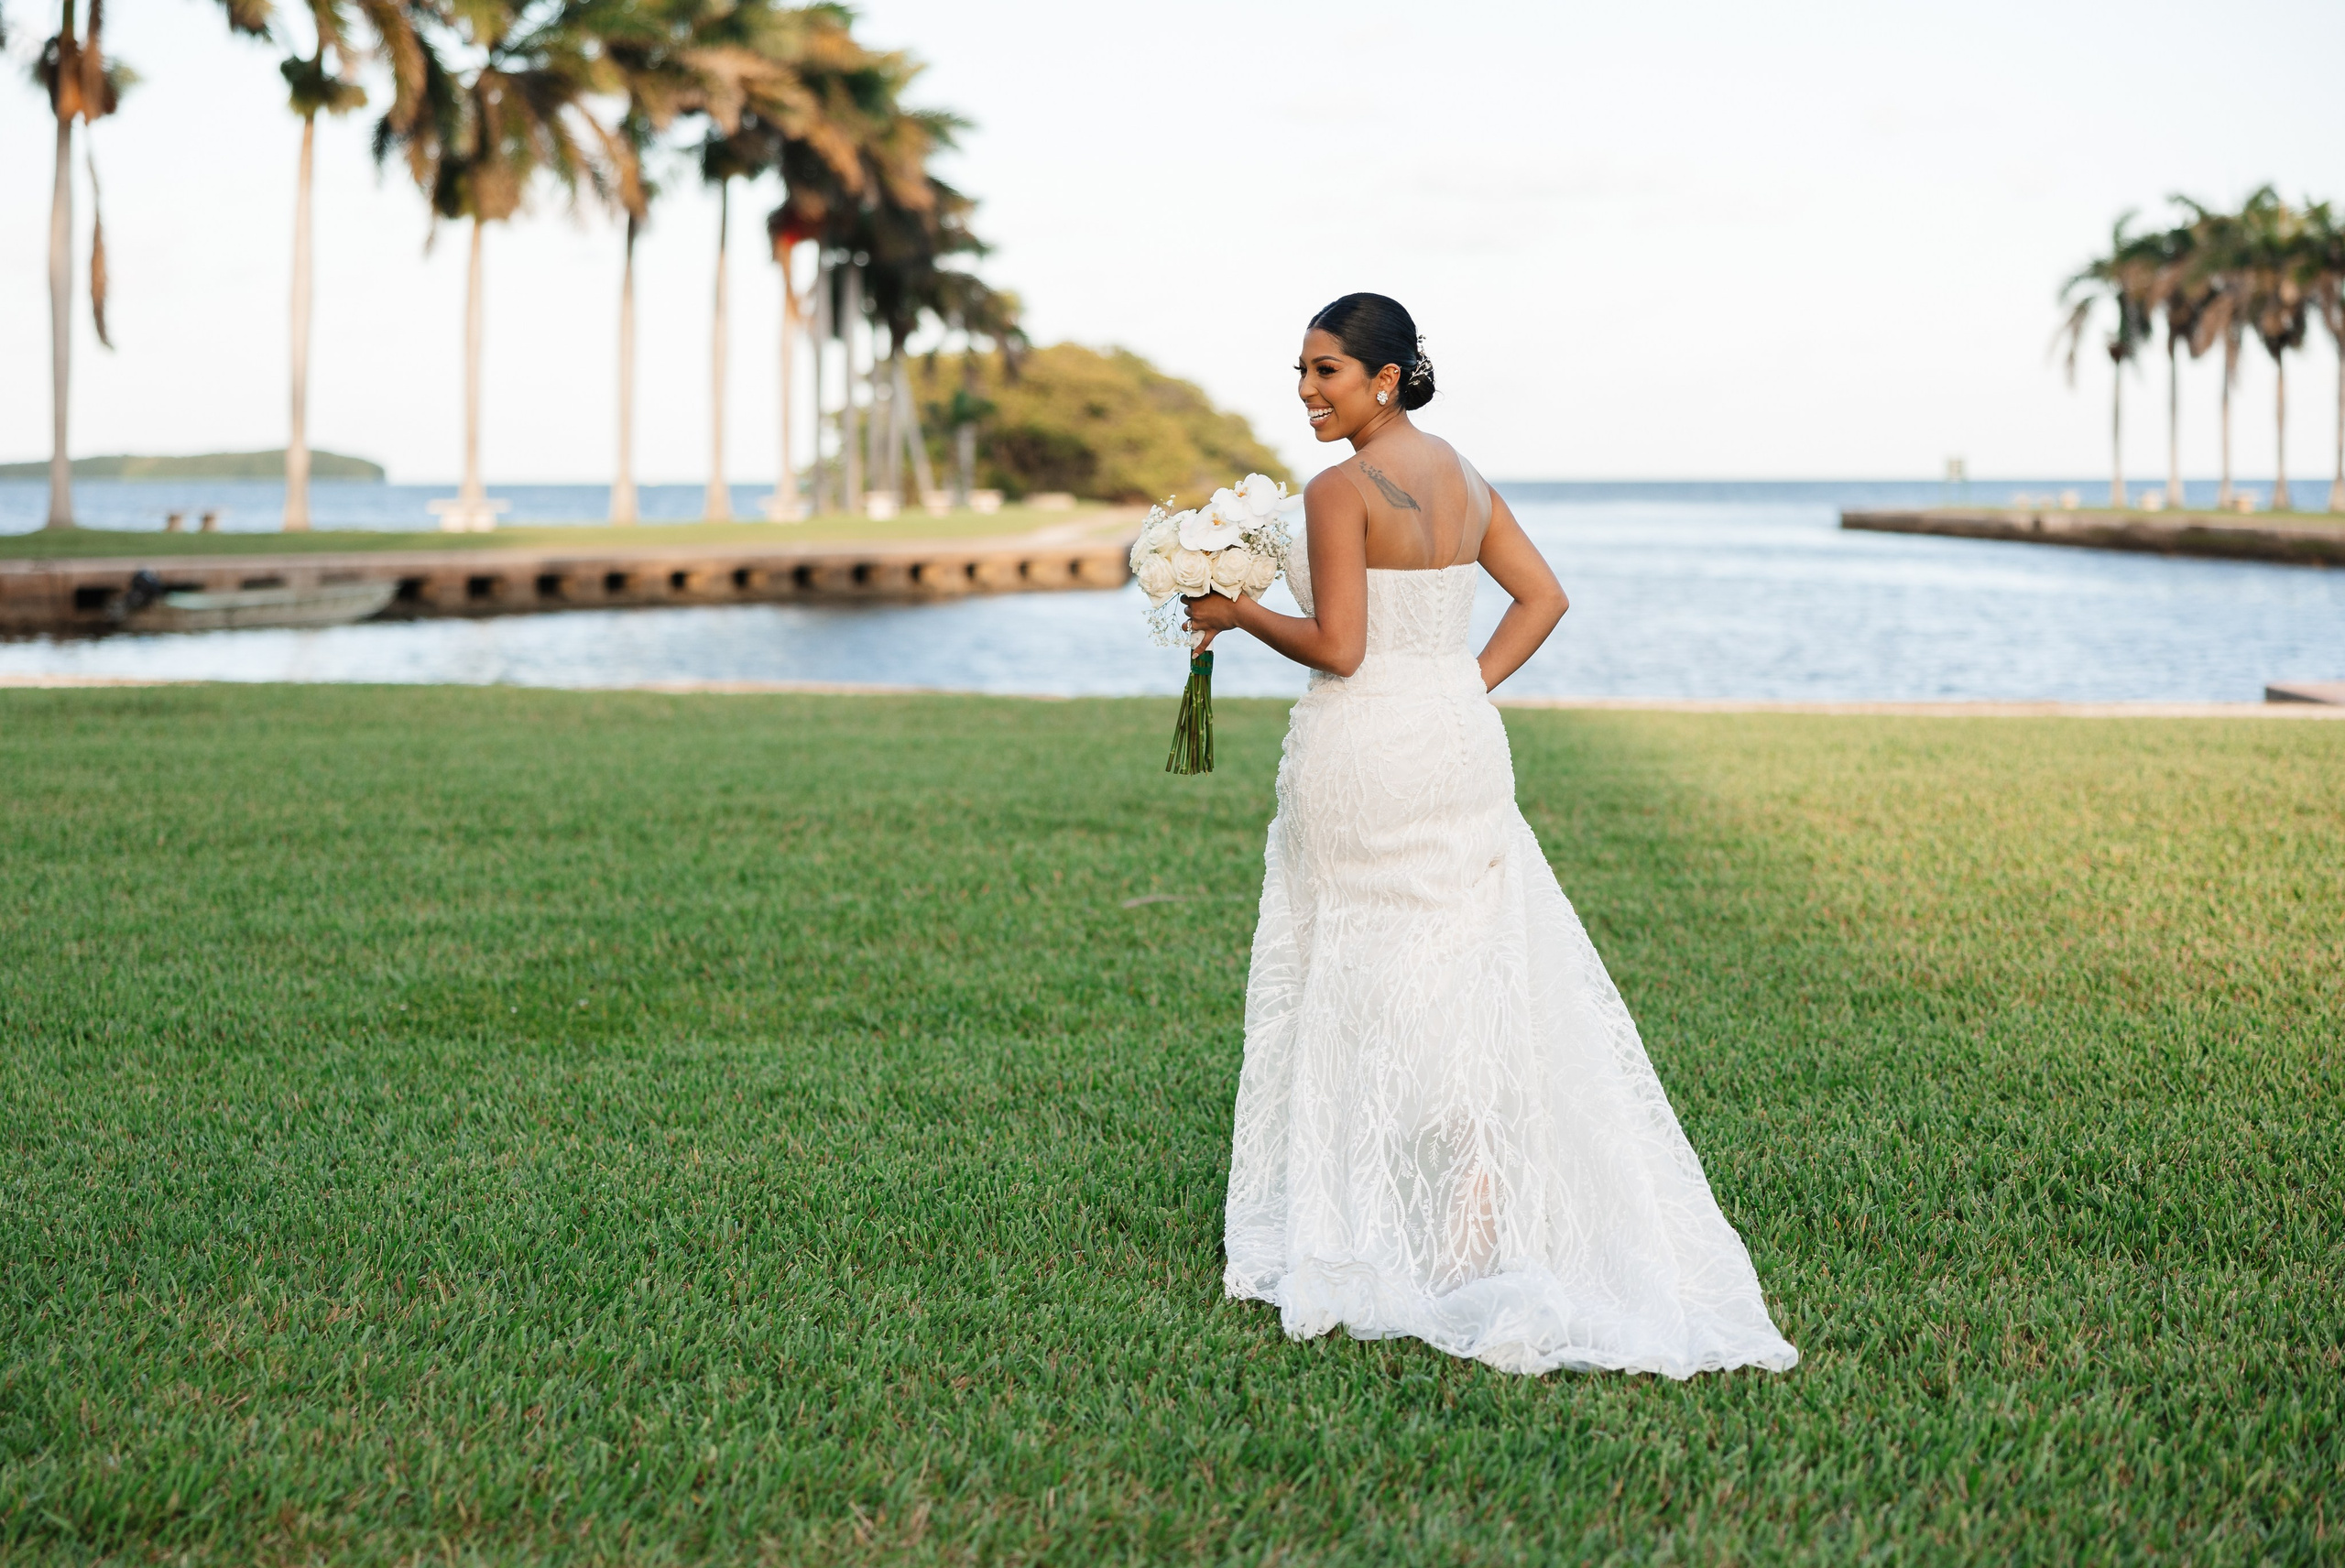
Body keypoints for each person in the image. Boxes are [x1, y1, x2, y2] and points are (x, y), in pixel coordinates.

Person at [1181, 293, 1798, 1377]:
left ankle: (1366, 1217)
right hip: (1457, 738)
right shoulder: (1462, 475)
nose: (1307, 391)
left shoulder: (1339, 490)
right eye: (1300, 370)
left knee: (1355, 965)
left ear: (1384, 376)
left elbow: (1336, 645)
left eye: (1326, 370)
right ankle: (1471, 1215)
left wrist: (1233, 614)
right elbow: (1543, 598)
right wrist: (1459, 686)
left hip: (1365, 747)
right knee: (1466, 964)